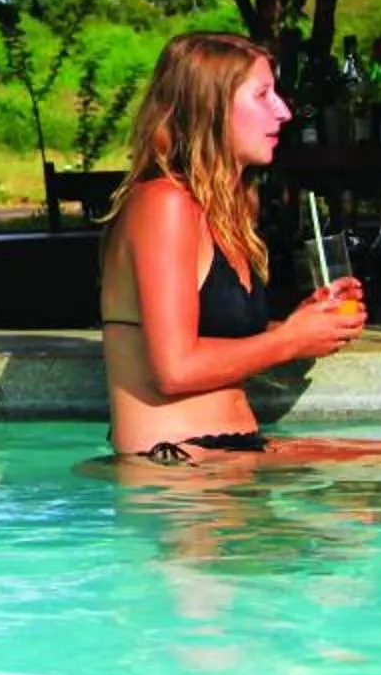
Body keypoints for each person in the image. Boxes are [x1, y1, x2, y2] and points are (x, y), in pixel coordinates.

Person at [100, 32, 366, 461]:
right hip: (176, 468)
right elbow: (174, 368)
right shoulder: (163, 204)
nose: (283, 110)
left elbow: (214, 343)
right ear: (210, 108)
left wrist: (302, 325)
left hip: (227, 455)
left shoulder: (224, 206)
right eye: (263, 95)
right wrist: (291, 342)